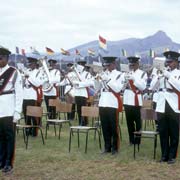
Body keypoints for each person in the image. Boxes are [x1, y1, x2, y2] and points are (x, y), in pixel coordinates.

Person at [151, 51, 180, 164]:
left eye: (171, 62)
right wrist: (157, 77)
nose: (168, 64)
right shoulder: (163, 72)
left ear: (176, 62)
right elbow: (152, 87)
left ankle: (172, 156)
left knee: (173, 131)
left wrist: (169, 76)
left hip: (173, 103)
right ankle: (164, 155)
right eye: (167, 62)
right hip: (161, 103)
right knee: (163, 131)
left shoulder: (178, 73)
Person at [0, 47, 23, 173]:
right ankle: (1, 160)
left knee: (9, 137)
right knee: (0, 136)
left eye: (1, 58)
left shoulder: (14, 72)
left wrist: (17, 111)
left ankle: (9, 163)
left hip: (9, 109)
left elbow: (19, 93)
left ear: (7, 58)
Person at [98, 57, 124, 155]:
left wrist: (107, 80)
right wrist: (97, 80)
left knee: (114, 127)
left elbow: (117, 89)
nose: (107, 67)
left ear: (114, 64)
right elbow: (97, 88)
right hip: (103, 101)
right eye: (106, 65)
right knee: (105, 126)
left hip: (112, 102)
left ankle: (115, 148)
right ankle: (107, 147)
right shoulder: (104, 74)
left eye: (109, 65)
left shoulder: (119, 75)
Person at [123, 56, 147, 145]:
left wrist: (134, 79)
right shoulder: (127, 73)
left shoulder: (142, 74)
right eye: (130, 64)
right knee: (129, 122)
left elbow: (143, 87)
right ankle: (131, 140)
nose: (131, 66)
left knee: (138, 122)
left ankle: (138, 140)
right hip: (128, 99)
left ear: (137, 64)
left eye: (133, 64)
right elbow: (122, 87)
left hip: (136, 99)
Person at [22, 56, 47, 136]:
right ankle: (27, 130)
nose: (30, 65)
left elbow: (38, 83)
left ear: (35, 64)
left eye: (31, 63)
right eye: (29, 63)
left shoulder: (39, 72)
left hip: (33, 94)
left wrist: (28, 77)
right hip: (25, 94)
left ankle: (34, 131)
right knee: (26, 114)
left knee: (33, 114)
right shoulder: (27, 71)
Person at [73, 59, 94, 125]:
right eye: (79, 64)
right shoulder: (75, 73)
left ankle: (84, 122)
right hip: (77, 93)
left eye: (82, 64)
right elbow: (73, 82)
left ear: (84, 66)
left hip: (83, 94)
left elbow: (91, 83)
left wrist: (80, 84)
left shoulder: (87, 74)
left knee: (84, 109)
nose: (80, 66)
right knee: (78, 109)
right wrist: (80, 84)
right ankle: (80, 122)